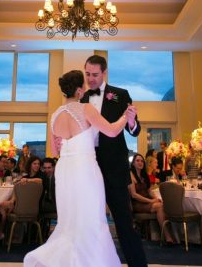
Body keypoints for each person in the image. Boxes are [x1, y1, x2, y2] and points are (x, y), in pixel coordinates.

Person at [24, 69, 134, 267]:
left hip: (65, 168)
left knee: (69, 220)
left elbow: (54, 149)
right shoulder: (85, 109)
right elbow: (110, 131)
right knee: (91, 218)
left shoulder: (55, 115)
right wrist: (125, 116)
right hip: (84, 168)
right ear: (79, 90)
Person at [79, 55, 147, 267]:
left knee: (124, 222)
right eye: (87, 74)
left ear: (104, 73)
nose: (90, 79)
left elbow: (134, 131)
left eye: (95, 75)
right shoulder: (81, 98)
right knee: (89, 222)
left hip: (115, 168)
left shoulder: (120, 94)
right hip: (89, 166)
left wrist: (132, 121)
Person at [129, 154, 173, 243]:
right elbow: (134, 195)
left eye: (141, 161)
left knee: (162, 204)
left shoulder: (144, 175)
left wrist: (156, 198)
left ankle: (163, 236)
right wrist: (151, 200)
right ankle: (167, 236)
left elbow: (149, 191)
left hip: (147, 201)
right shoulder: (130, 175)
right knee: (159, 206)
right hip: (137, 204)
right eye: (137, 161)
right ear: (133, 163)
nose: (140, 163)